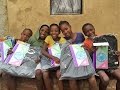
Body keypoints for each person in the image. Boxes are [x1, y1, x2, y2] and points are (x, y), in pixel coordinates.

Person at [59, 21, 98, 90]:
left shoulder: (80, 35)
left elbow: (85, 46)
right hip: (72, 64)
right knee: (71, 79)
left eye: (66, 29)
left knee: (92, 78)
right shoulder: (64, 41)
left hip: (83, 61)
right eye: (63, 31)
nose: (65, 32)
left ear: (70, 26)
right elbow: (64, 55)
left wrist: (86, 48)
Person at [82, 23, 120, 90]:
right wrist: (91, 50)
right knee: (105, 80)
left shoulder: (103, 38)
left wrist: (116, 53)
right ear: (85, 34)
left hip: (110, 64)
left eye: (91, 30)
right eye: (87, 32)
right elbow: (86, 57)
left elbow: (111, 50)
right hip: (98, 66)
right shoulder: (86, 43)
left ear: (94, 29)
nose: (90, 32)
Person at [41, 23, 66, 90]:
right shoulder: (48, 38)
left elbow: (65, 52)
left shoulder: (63, 40)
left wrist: (60, 59)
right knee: (45, 74)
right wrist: (53, 58)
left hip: (59, 62)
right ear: (49, 32)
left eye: (56, 31)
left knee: (59, 74)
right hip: (50, 60)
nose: (53, 32)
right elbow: (43, 51)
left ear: (59, 32)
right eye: (51, 31)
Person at [28, 24, 49, 90]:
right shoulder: (32, 39)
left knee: (44, 73)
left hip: (44, 60)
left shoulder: (48, 40)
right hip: (33, 60)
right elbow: (27, 50)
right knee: (38, 72)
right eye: (42, 30)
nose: (43, 33)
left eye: (46, 32)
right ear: (39, 30)